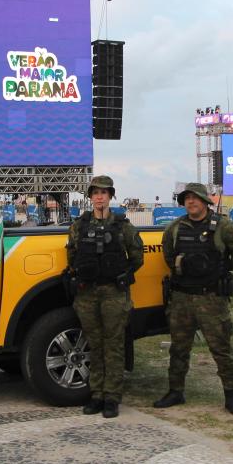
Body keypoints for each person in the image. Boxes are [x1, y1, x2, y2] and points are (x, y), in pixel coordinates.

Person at [153, 182, 233, 415]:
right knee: (178, 348)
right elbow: (168, 256)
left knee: (221, 348)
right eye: (187, 198)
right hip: (182, 298)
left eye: (195, 198)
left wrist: (224, 278)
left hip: (211, 299)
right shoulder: (175, 228)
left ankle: (231, 395)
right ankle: (176, 391)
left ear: (205, 201)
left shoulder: (223, 226)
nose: (191, 202)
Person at [65, 175, 144, 419]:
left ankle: (112, 397)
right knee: (95, 344)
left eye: (104, 193)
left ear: (110, 196)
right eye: (95, 193)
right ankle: (96, 394)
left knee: (114, 345)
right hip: (87, 294)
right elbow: (72, 255)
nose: (99, 197)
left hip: (114, 294)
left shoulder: (122, 226)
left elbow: (137, 256)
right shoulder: (79, 226)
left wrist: (122, 275)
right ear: (90, 197)